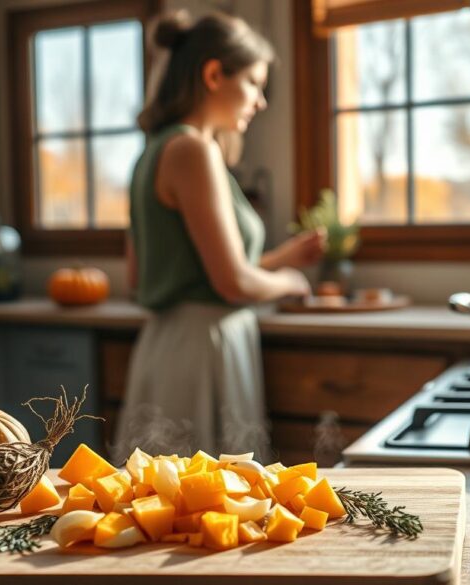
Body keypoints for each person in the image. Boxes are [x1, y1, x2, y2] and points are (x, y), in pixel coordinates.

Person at [116, 10, 324, 461]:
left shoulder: (152, 151)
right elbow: (231, 283)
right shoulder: (194, 150)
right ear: (214, 74)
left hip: (165, 349)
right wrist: (291, 282)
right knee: (207, 508)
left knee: (159, 509)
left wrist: (279, 258)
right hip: (204, 352)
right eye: (253, 82)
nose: (261, 100)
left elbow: (153, 271)